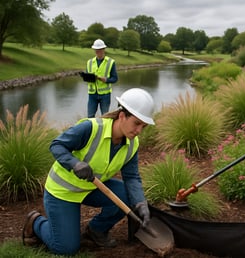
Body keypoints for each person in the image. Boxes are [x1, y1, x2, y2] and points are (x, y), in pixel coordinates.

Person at [22, 88, 155, 255]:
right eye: (137, 123)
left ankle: (95, 231)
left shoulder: (131, 144)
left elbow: (132, 177)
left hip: (91, 189)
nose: (139, 131)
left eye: (143, 126)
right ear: (122, 116)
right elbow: (56, 145)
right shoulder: (91, 128)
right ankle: (36, 222)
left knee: (128, 194)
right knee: (66, 248)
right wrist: (75, 163)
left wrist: (140, 203)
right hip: (63, 192)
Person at [86, 39, 118, 118]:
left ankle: (104, 130)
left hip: (105, 95)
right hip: (92, 94)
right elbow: (87, 76)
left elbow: (115, 78)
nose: (97, 52)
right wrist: (88, 77)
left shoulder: (110, 62)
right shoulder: (89, 62)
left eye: (99, 50)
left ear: (104, 49)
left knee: (105, 116)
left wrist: (106, 80)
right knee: (90, 116)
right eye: (96, 50)